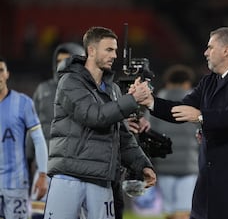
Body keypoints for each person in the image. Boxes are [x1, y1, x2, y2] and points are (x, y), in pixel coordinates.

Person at [131, 27, 228, 219]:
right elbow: (181, 109)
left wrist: (202, 117)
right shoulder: (209, 81)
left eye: (210, 47)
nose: (205, 52)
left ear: (226, 50)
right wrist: (150, 101)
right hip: (209, 184)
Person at [43, 26, 156, 219]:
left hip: (101, 179)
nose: (114, 55)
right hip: (70, 175)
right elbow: (93, 116)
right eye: (109, 49)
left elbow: (123, 135)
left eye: (116, 50)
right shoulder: (70, 81)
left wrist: (142, 164)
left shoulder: (112, 89)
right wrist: (132, 100)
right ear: (92, 50)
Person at [26, 42, 85, 218]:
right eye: (59, 61)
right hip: (45, 166)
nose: (62, 65)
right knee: (38, 214)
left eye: (67, 60)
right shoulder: (43, 90)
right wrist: (28, 157)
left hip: (76, 167)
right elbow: (33, 127)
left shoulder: (88, 89)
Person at [148, 64, 199, 219]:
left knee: (169, 212)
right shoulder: (195, 102)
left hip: (164, 165)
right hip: (189, 165)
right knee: (183, 211)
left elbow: (148, 131)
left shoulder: (156, 102)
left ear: (168, 82)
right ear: (187, 82)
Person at [0, 57, 48, 219]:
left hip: (16, 184)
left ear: (7, 74)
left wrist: (42, 174)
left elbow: (39, 139)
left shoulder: (23, 103)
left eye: (1, 70)